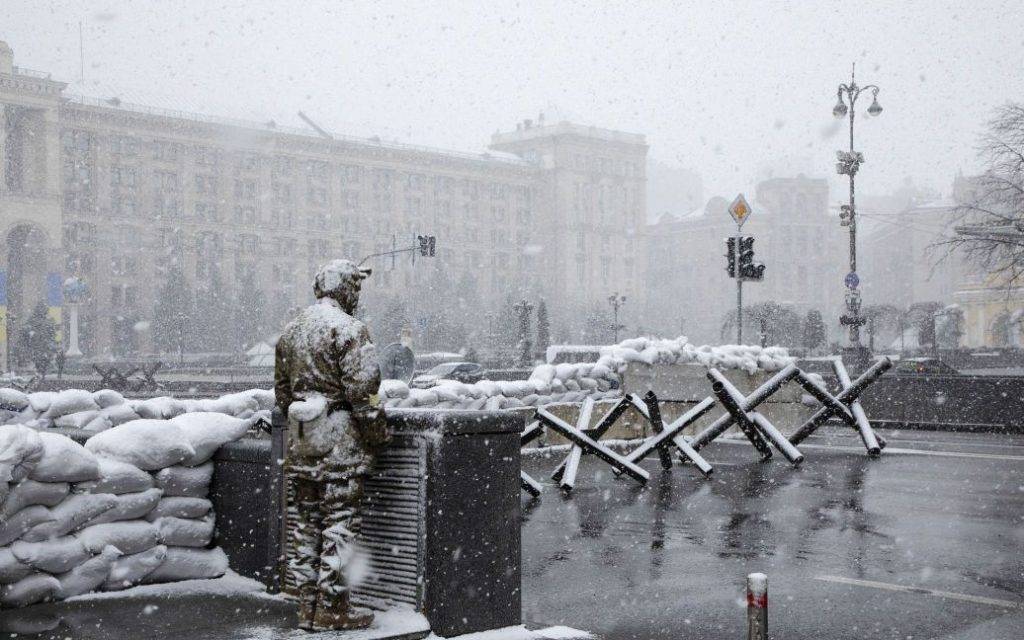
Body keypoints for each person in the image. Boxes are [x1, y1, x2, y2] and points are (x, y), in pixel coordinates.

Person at [275, 259, 389, 631]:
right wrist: (376, 433)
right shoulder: (351, 330)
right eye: (354, 288)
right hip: (341, 445)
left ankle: (303, 605)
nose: (357, 295)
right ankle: (333, 608)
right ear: (343, 289)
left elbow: (282, 395)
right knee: (340, 524)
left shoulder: (291, 332)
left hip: (303, 442)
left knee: (306, 523)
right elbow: (365, 393)